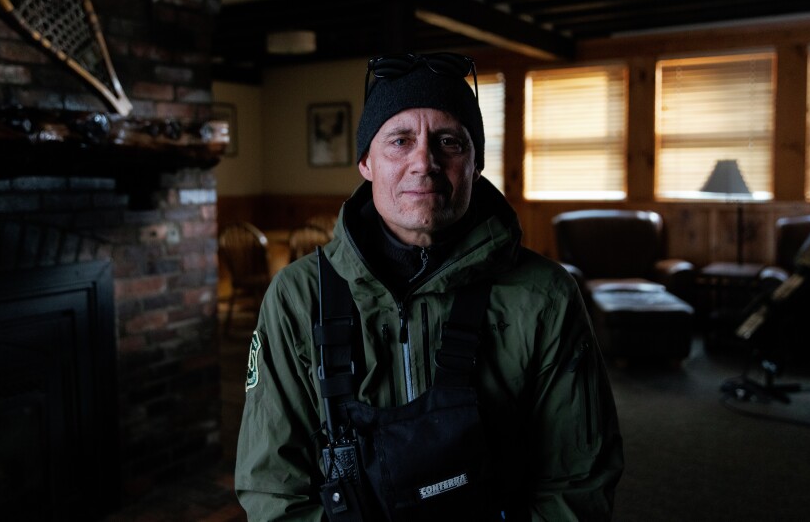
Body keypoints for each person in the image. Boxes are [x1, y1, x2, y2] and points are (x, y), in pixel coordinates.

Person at [235, 52, 624, 521]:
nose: (424, 162)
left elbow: (578, 482)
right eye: (400, 141)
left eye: (449, 142)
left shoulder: (544, 296)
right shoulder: (298, 298)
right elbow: (273, 488)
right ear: (366, 162)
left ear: (475, 164)